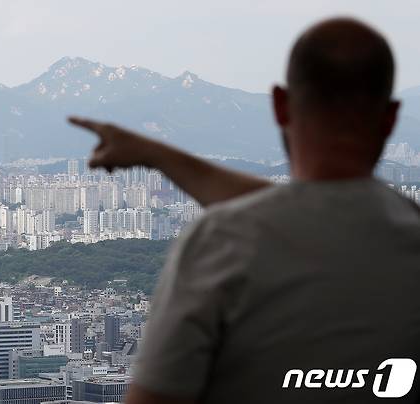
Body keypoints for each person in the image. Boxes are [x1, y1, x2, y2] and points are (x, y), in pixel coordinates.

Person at [70, 17, 420, 403]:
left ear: (281, 106)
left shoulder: (222, 244)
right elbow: (312, 213)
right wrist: (158, 155)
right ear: (390, 117)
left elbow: (289, 216)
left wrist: (157, 154)